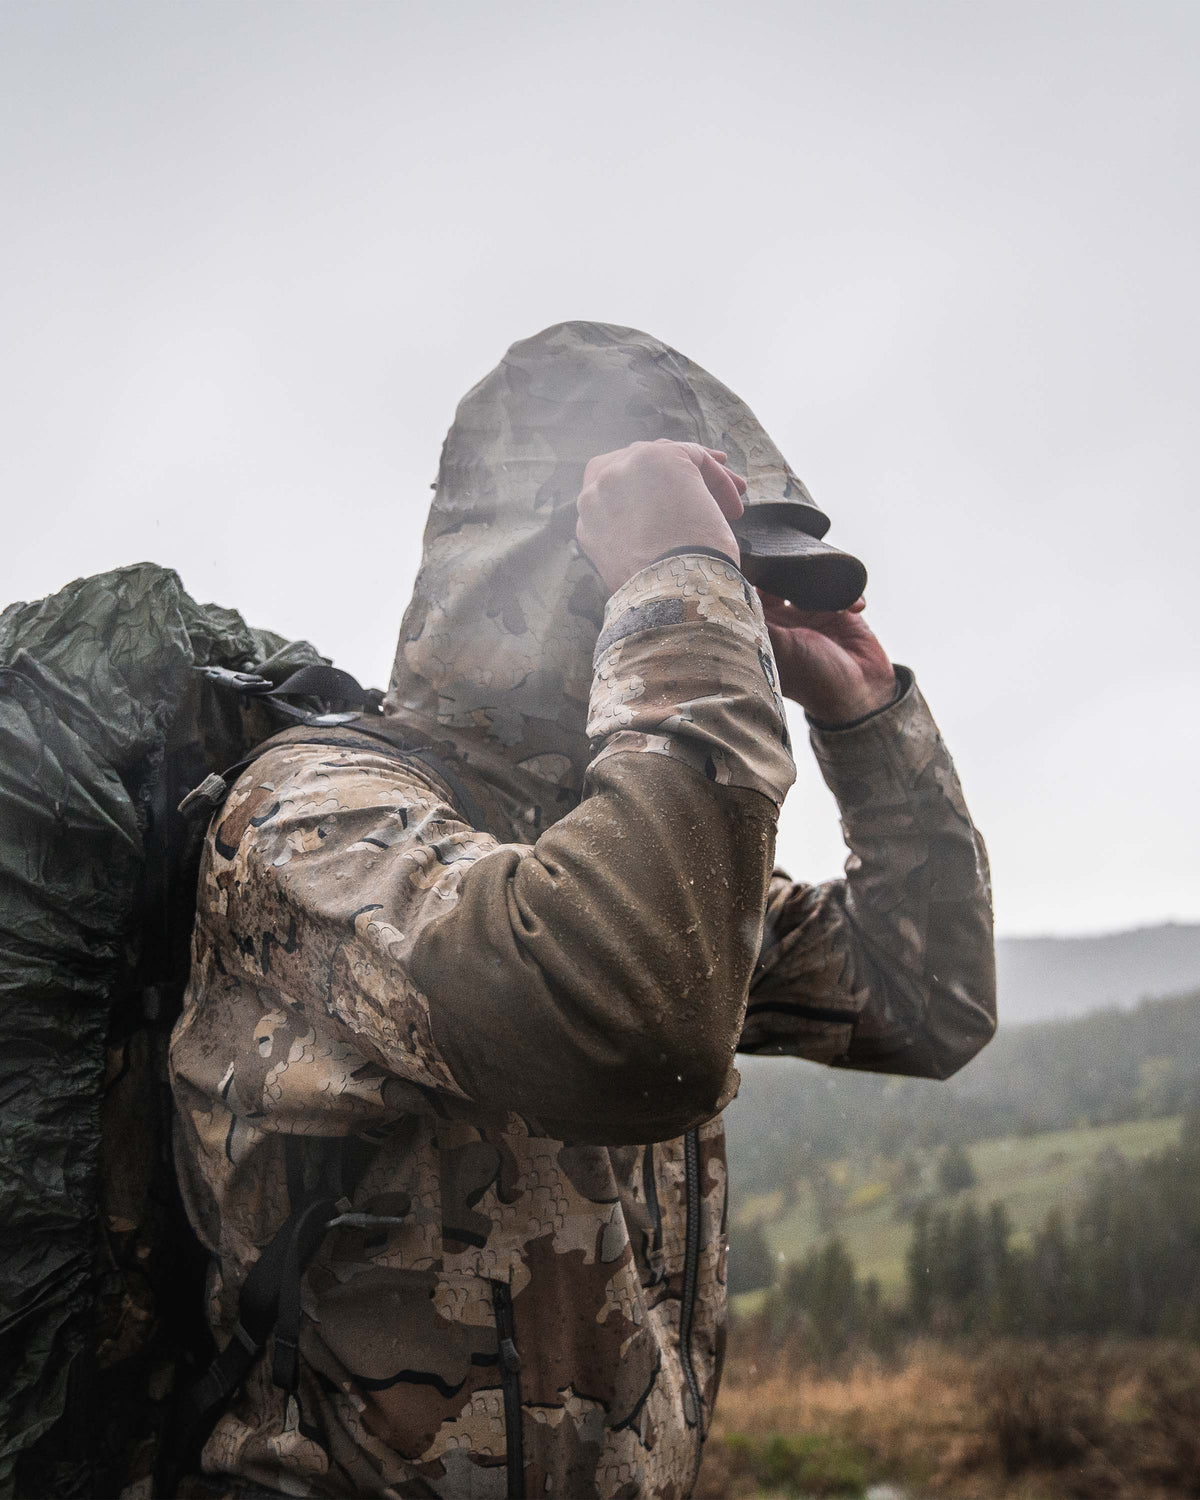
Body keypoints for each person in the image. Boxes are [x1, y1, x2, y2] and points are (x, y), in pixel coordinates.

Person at [169, 321, 996, 1499]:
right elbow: (629, 1028)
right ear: (557, 565)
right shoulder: (316, 819)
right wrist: (677, 592)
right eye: (702, 562)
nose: (735, 610)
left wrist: (866, 719)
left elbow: (928, 1006)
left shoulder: (614, 855)